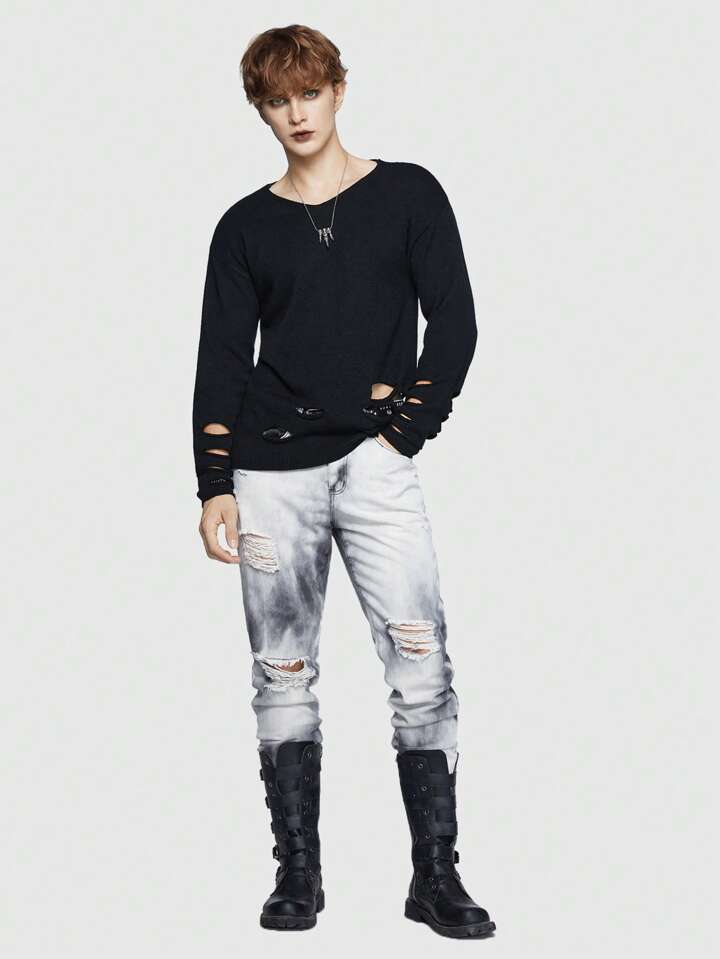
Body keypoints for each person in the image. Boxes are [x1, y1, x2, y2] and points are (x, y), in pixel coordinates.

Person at [191, 23, 496, 939]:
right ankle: (298, 875)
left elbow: (455, 326)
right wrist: (214, 482)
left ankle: (435, 875)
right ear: (260, 109)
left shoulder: (408, 194)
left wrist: (401, 435)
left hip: (375, 465)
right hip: (269, 474)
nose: (297, 113)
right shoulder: (243, 227)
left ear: (338, 90)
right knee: (281, 672)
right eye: (277, 100)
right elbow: (220, 360)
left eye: (309, 93)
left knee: (421, 663)